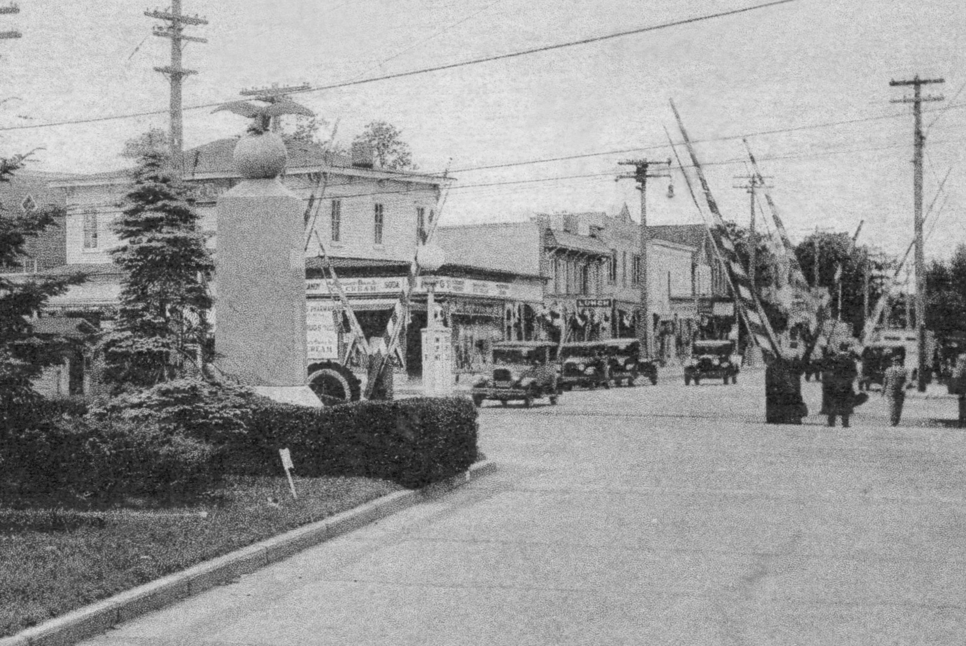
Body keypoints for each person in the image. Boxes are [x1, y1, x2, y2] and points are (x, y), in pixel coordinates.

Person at [822, 344, 858, 427]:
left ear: (839, 348)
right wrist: (849, 381)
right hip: (847, 384)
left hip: (835, 384)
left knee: (833, 403)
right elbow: (854, 373)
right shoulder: (850, 360)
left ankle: (831, 422)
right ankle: (845, 423)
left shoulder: (834, 359)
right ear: (847, 349)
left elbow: (828, 369)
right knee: (845, 404)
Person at [881, 353, 907, 426]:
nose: (895, 363)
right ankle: (892, 421)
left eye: (897, 361)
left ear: (900, 363)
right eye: (894, 362)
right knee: (892, 405)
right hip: (890, 390)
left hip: (900, 391)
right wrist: (883, 390)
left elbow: (906, 381)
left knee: (899, 406)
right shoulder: (888, 370)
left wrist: (904, 388)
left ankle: (896, 420)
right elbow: (885, 381)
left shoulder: (903, 371)